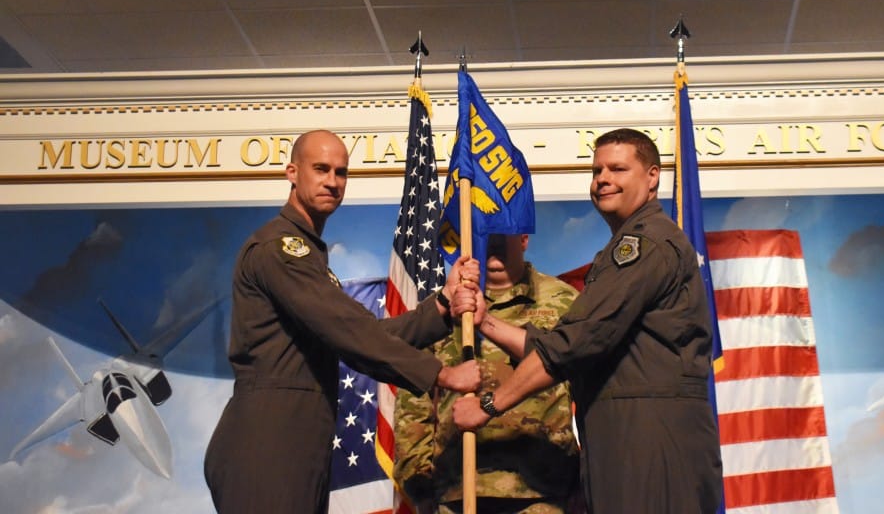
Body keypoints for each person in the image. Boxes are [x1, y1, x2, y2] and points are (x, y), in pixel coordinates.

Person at [204, 129, 482, 514]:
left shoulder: (309, 258)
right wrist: (442, 374)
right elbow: (350, 332)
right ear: (292, 172)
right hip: (268, 437)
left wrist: (441, 306)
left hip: (295, 438)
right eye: (320, 169)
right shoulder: (281, 249)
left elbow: (365, 332)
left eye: (341, 172)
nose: (332, 182)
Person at [453, 129, 723, 513]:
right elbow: (576, 347)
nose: (603, 180)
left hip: (650, 441)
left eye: (617, 168)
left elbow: (574, 344)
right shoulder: (630, 245)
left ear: (652, 177)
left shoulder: (645, 246)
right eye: (597, 171)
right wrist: (487, 323)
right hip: (627, 438)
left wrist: (490, 405)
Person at [393, 234, 581, 514]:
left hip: (545, 493)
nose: (494, 241)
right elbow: (413, 400)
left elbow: (591, 387)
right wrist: (420, 487)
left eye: (502, 231)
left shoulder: (564, 301)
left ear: (524, 239)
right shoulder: (443, 310)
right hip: (458, 490)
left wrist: (584, 482)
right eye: (484, 232)